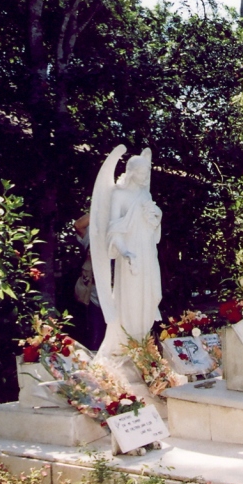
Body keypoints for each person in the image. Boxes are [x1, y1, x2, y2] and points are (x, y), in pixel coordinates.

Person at [91, 148, 163, 359]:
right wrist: (126, 252)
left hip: (148, 251)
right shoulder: (118, 195)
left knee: (152, 295)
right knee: (131, 301)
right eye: (142, 172)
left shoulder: (145, 194)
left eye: (148, 172)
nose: (146, 177)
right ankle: (128, 347)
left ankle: (142, 346)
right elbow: (113, 230)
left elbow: (151, 227)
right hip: (131, 254)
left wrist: (155, 218)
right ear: (132, 172)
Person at [73, 212, 106, 350]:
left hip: (122, 301)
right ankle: (97, 370)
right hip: (96, 299)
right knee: (96, 340)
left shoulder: (128, 235)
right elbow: (78, 225)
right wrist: (102, 203)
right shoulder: (94, 236)